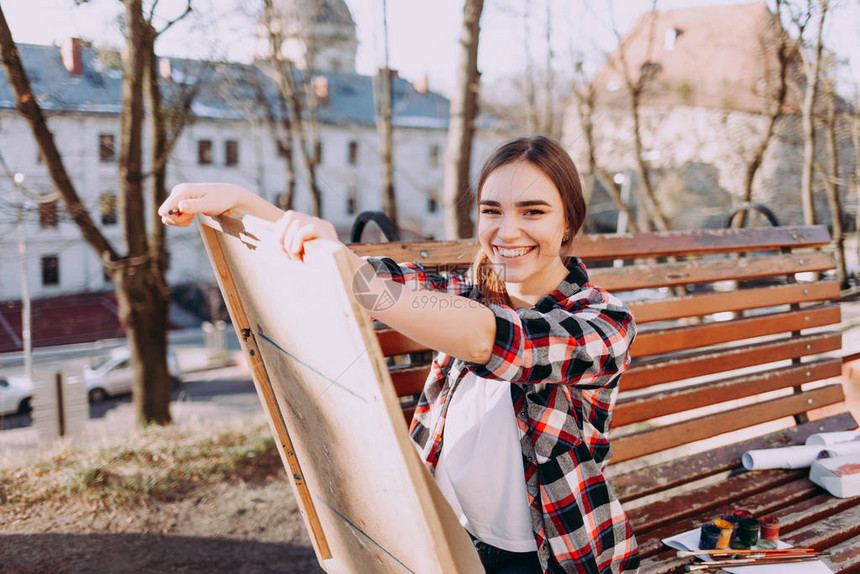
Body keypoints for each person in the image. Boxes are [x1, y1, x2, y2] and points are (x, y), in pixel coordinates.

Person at [159, 136, 640, 574]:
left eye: (532, 212)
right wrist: (244, 203)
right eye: (492, 211)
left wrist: (361, 281)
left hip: (552, 552)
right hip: (447, 538)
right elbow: (361, 275)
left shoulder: (604, 323)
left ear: (568, 222)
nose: (506, 230)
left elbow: (490, 340)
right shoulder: (467, 288)